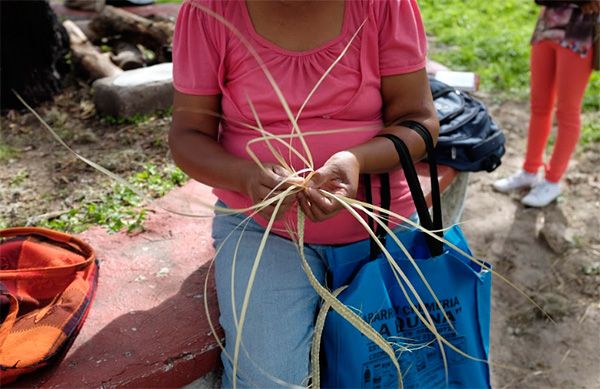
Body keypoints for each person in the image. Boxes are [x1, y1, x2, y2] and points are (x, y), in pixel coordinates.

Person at [169, 0, 439, 387]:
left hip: (380, 225)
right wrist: (246, 177)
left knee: (395, 371)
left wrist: (356, 160)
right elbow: (187, 135)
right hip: (262, 230)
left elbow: (419, 121)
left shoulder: (385, 6)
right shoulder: (208, 11)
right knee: (268, 380)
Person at [493, 0, 598, 207]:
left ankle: (552, 181)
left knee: (568, 111)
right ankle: (530, 170)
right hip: (547, 27)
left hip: (580, 32)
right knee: (539, 106)